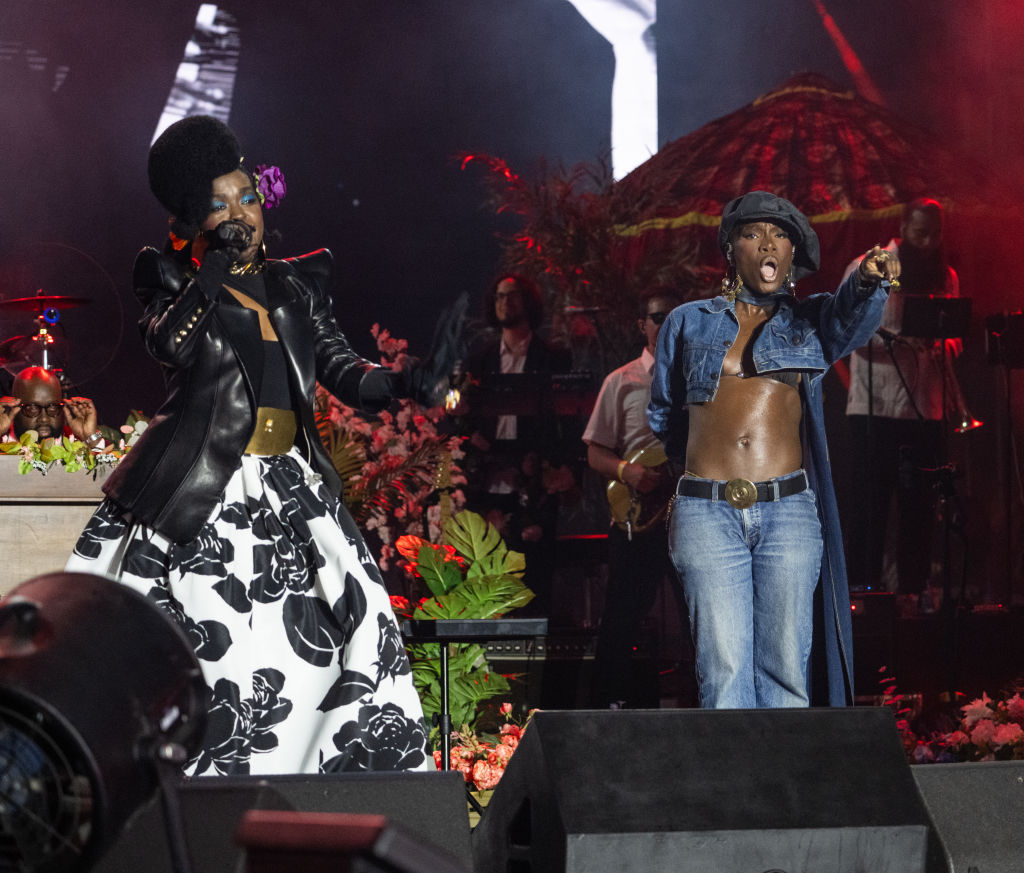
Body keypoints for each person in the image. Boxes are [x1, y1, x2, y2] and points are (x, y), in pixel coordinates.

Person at [65, 115, 432, 776]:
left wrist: (409, 380)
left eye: (248, 197)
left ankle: (334, 788)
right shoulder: (169, 278)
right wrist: (214, 273)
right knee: (224, 654)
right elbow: (170, 345)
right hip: (205, 489)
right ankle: (214, 798)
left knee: (362, 627)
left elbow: (345, 371)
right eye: (219, 204)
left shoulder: (296, 285)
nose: (240, 212)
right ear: (193, 222)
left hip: (291, 488)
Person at [649, 191, 900, 709]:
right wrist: (703, 463)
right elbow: (664, 412)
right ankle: (735, 791)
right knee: (723, 673)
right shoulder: (686, 321)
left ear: (791, 257)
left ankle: (785, 790)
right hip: (706, 510)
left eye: (781, 235)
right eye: (753, 233)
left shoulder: (809, 321)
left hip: (788, 511)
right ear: (731, 248)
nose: (768, 243)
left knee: (786, 669)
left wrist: (870, 278)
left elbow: (852, 311)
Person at [844, 198, 960, 595]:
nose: (928, 243)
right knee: (870, 510)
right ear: (903, 228)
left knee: (920, 513)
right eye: (920, 233)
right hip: (874, 410)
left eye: (935, 235)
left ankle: (913, 598)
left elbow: (955, 338)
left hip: (926, 409)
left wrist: (945, 344)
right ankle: (864, 599)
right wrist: (904, 341)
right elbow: (846, 332)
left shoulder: (946, 277)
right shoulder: (869, 267)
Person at [583, 287, 688, 708]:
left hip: (688, 516)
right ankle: (608, 706)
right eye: (658, 317)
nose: (665, 325)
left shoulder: (700, 378)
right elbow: (595, 450)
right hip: (638, 518)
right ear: (641, 324)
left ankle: (710, 704)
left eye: (673, 317)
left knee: (700, 616)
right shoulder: (620, 380)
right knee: (621, 618)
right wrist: (631, 472)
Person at [461, 274, 573, 616]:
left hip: (533, 479)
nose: (504, 303)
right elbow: (460, 410)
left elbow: (566, 421)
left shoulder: (552, 357)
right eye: (498, 297)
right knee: (484, 575)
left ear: (528, 302)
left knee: (534, 581)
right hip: (488, 480)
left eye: (511, 296)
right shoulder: (479, 359)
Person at [0, 366, 103, 447]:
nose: (44, 419)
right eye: (32, 408)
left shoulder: (73, 440)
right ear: (13, 408)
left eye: (52, 407)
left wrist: (90, 439)